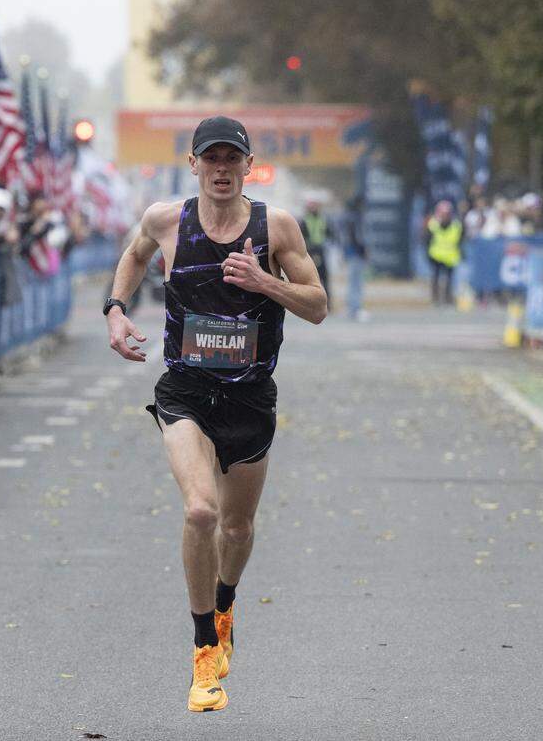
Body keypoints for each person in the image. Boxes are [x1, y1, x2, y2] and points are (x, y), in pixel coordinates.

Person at [104, 116, 327, 713]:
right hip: (185, 389)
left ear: (247, 165)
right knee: (200, 510)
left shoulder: (275, 226)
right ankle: (204, 651)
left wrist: (264, 282)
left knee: (236, 527)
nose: (222, 169)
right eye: (212, 159)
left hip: (250, 397)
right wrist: (116, 310)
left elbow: (318, 306)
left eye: (233, 159)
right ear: (195, 164)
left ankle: (225, 604)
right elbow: (134, 255)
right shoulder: (165, 219)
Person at [425, 200, 463, 306]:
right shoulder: (433, 224)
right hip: (436, 255)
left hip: (450, 256)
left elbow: (460, 240)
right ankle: (436, 299)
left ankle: (448, 298)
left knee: (449, 279)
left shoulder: (456, 225)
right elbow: (427, 240)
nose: (445, 216)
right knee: (436, 277)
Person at [298, 191, 331, 307]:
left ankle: (327, 303)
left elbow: (329, 233)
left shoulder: (323, 219)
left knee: (324, 277)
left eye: (315, 204)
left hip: (321, 250)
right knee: (309, 278)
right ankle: (308, 303)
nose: (313, 207)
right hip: (309, 251)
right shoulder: (304, 220)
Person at [343, 196, 369, 321]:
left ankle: (351, 308)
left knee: (353, 282)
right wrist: (363, 251)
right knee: (356, 282)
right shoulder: (356, 218)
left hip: (351, 253)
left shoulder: (348, 217)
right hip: (356, 254)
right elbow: (358, 238)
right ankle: (355, 308)